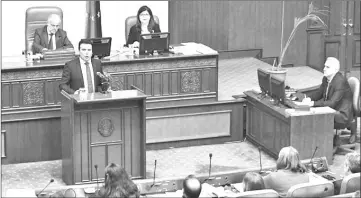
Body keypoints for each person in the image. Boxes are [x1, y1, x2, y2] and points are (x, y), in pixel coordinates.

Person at [298, 57, 355, 143]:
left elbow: (332, 103)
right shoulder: (326, 79)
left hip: (341, 115)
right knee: (299, 109)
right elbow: (318, 93)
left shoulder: (340, 81)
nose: (324, 69)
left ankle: (319, 145)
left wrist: (312, 104)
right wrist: (307, 98)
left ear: (335, 69)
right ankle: (307, 143)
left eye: (327, 67)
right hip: (330, 109)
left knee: (312, 113)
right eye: (324, 66)